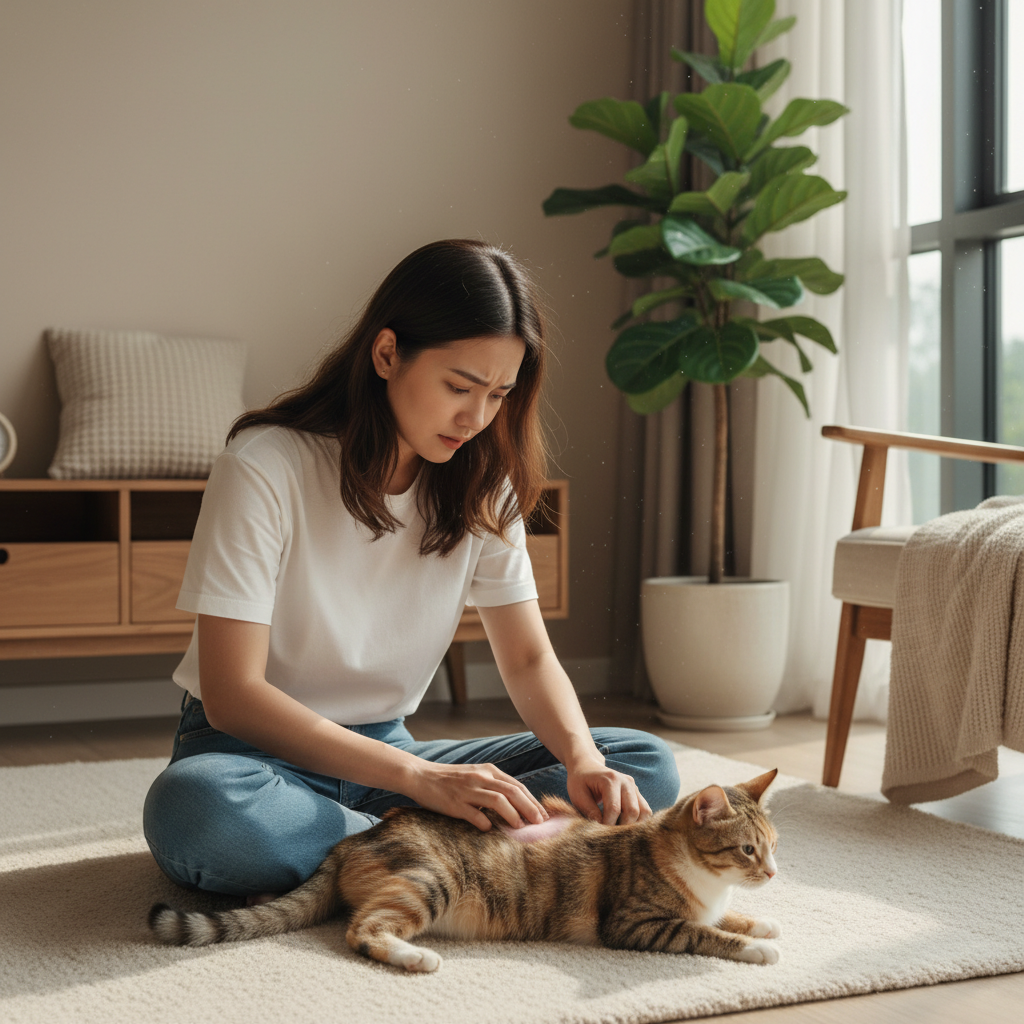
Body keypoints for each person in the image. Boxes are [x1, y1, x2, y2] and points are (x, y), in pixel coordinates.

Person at [143, 238, 680, 900]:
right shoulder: (264, 466)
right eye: (459, 386)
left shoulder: (484, 484)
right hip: (253, 760)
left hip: (390, 759)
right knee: (197, 814)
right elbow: (231, 694)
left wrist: (583, 760)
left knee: (642, 765)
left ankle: (378, 849)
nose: (476, 418)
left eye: (498, 395)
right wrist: (422, 785)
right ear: (388, 352)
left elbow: (528, 661)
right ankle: (432, 846)